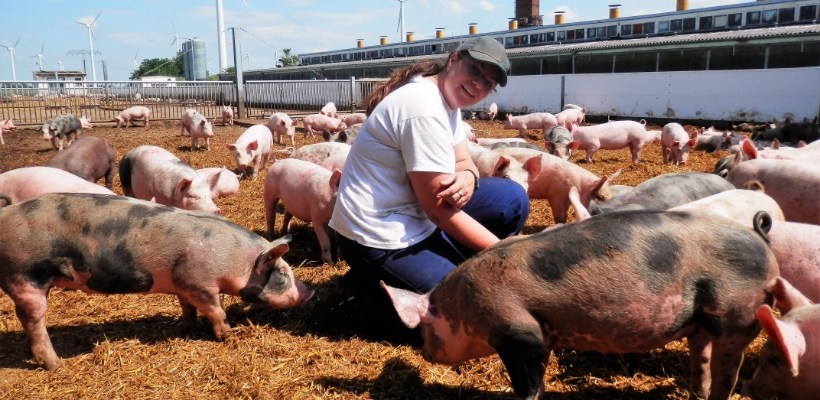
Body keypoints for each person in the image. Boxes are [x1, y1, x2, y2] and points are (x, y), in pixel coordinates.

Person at [328, 36, 530, 324]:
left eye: (488, 82)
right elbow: (438, 209)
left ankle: (446, 263)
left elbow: (463, 161)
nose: (478, 84)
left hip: (418, 214)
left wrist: (468, 177)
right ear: (453, 60)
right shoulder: (422, 108)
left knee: (512, 199)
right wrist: (508, 255)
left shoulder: (447, 101)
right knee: (463, 308)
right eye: (475, 70)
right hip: (379, 235)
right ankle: (360, 296)